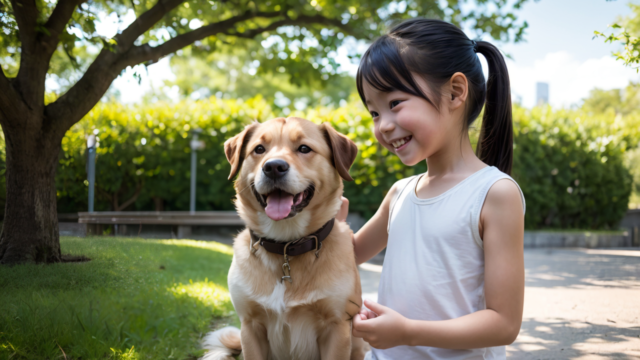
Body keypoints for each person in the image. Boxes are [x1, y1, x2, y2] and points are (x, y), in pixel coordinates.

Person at [336, 18, 526, 359]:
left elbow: (503, 323)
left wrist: (407, 331)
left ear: (455, 92)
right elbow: (345, 257)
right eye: (374, 113)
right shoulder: (400, 194)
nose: (384, 125)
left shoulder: (494, 193)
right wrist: (330, 227)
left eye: (394, 103)